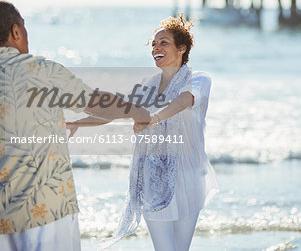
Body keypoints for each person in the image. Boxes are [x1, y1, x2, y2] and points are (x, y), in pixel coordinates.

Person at [0, 1, 152, 251]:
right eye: (25, 29)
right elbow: (96, 102)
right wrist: (138, 111)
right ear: (16, 31)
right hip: (46, 210)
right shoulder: (42, 71)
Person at [69, 13, 218, 251]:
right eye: (154, 44)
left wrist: (152, 119)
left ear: (182, 48)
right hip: (153, 178)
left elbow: (182, 101)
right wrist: (77, 122)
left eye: (163, 42)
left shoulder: (199, 79)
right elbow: (119, 110)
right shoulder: (147, 85)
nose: (156, 48)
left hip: (189, 177)